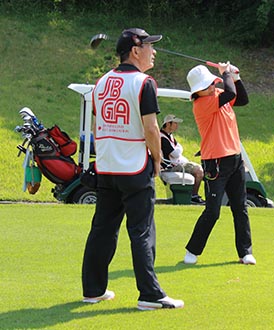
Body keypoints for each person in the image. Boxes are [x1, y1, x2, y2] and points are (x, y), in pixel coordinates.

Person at [81, 28, 184, 310]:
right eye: (149, 46)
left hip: (107, 168)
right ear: (135, 51)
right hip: (134, 167)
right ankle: (149, 295)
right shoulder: (144, 82)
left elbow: (97, 125)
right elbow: (151, 128)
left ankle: (93, 290)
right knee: (141, 230)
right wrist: (156, 158)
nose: (154, 51)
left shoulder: (101, 82)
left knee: (102, 229)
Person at [183, 63, 256, 265]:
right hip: (215, 163)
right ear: (197, 91)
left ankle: (245, 252)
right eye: (206, 86)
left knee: (240, 207)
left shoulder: (218, 96)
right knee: (213, 211)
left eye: (211, 84)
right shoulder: (202, 104)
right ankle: (192, 251)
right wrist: (225, 73)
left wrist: (236, 77)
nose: (211, 87)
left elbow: (241, 98)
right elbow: (230, 91)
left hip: (234, 158)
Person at [160, 114, 205, 204]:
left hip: (177, 164)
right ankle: (194, 196)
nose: (177, 125)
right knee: (199, 171)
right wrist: (179, 149)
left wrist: (178, 149)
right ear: (168, 124)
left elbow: (178, 148)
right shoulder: (162, 138)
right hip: (172, 166)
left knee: (204, 171)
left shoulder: (170, 136)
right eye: (175, 123)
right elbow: (176, 153)